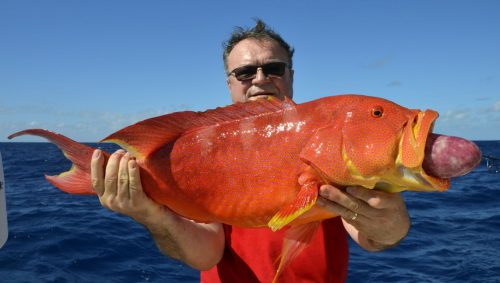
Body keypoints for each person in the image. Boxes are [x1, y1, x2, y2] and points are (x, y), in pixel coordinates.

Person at [90, 19, 410, 282]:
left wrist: (391, 225)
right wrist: (150, 214)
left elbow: (371, 236)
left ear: (291, 75)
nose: (259, 79)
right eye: (244, 73)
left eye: (273, 68)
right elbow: (206, 254)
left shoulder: (330, 137)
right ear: (229, 83)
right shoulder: (202, 147)